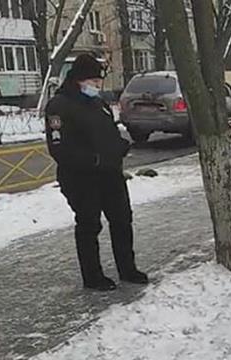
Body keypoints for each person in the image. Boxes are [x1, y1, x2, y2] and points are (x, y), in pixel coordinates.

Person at [45, 54, 147, 291]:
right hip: (81, 178)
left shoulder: (98, 103)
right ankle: (92, 276)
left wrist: (119, 146)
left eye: (99, 81)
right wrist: (94, 160)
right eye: (93, 81)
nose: (98, 85)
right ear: (79, 79)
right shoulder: (59, 106)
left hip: (110, 174)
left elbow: (107, 131)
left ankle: (127, 269)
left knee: (122, 220)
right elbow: (59, 147)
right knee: (89, 224)